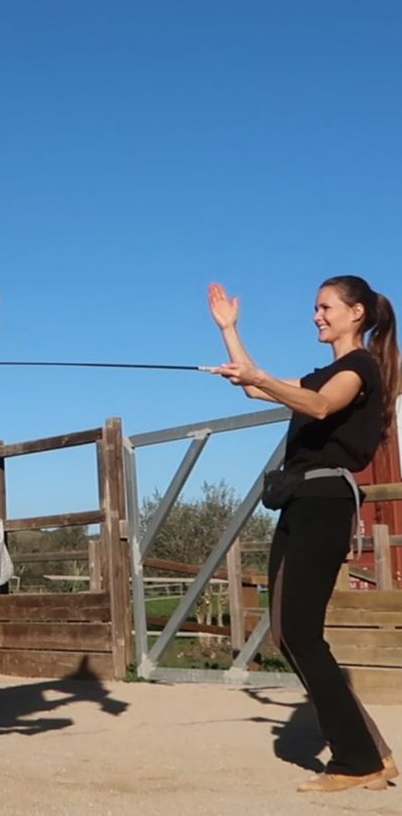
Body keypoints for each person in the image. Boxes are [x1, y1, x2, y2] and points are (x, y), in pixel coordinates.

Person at [207, 275, 401, 792]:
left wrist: (262, 378)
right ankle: (372, 752)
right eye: (315, 308)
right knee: (288, 630)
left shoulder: (358, 367)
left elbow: (317, 406)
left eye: (325, 307)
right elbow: (255, 384)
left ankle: (357, 760)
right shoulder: (326, 371)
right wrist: (230, 331)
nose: (316, 315)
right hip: (303, 503)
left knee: (298, 631)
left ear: (356, 313)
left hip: (324, 503)